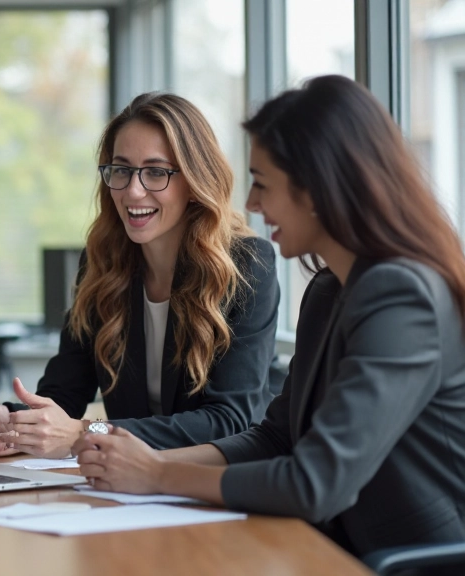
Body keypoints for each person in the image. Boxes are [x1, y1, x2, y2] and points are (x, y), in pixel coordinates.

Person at [74, 75, 465, 559]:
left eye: (262, 183)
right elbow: (276, 436)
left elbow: (314, 483)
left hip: (411, 561)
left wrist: (156, 474)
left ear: (319, 188)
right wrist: (137, 460)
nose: (253, 204)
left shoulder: (403, 296)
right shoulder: (328, 290)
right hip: (331, 544)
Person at [0, 92, 279, 458]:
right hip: (129, 485)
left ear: (194, 182)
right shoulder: (102, 263)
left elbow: (229, 420)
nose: (133, 190)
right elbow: (65, 394)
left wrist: (86, 432)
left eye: (156, 172)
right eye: (122, 169)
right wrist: (13, 425)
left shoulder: (246, 264)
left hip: (222, 482)